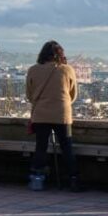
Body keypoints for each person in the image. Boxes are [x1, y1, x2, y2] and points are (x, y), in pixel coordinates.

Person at [25, 41, 79, 191]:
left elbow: (29, 94)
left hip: (41, 114)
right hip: (62, 114)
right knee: (66, 147)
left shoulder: (33, 70)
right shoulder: (67, 70)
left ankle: (37, 180)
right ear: (61, 54)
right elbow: (73, 94)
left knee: (40, 147)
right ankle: (73, 179)